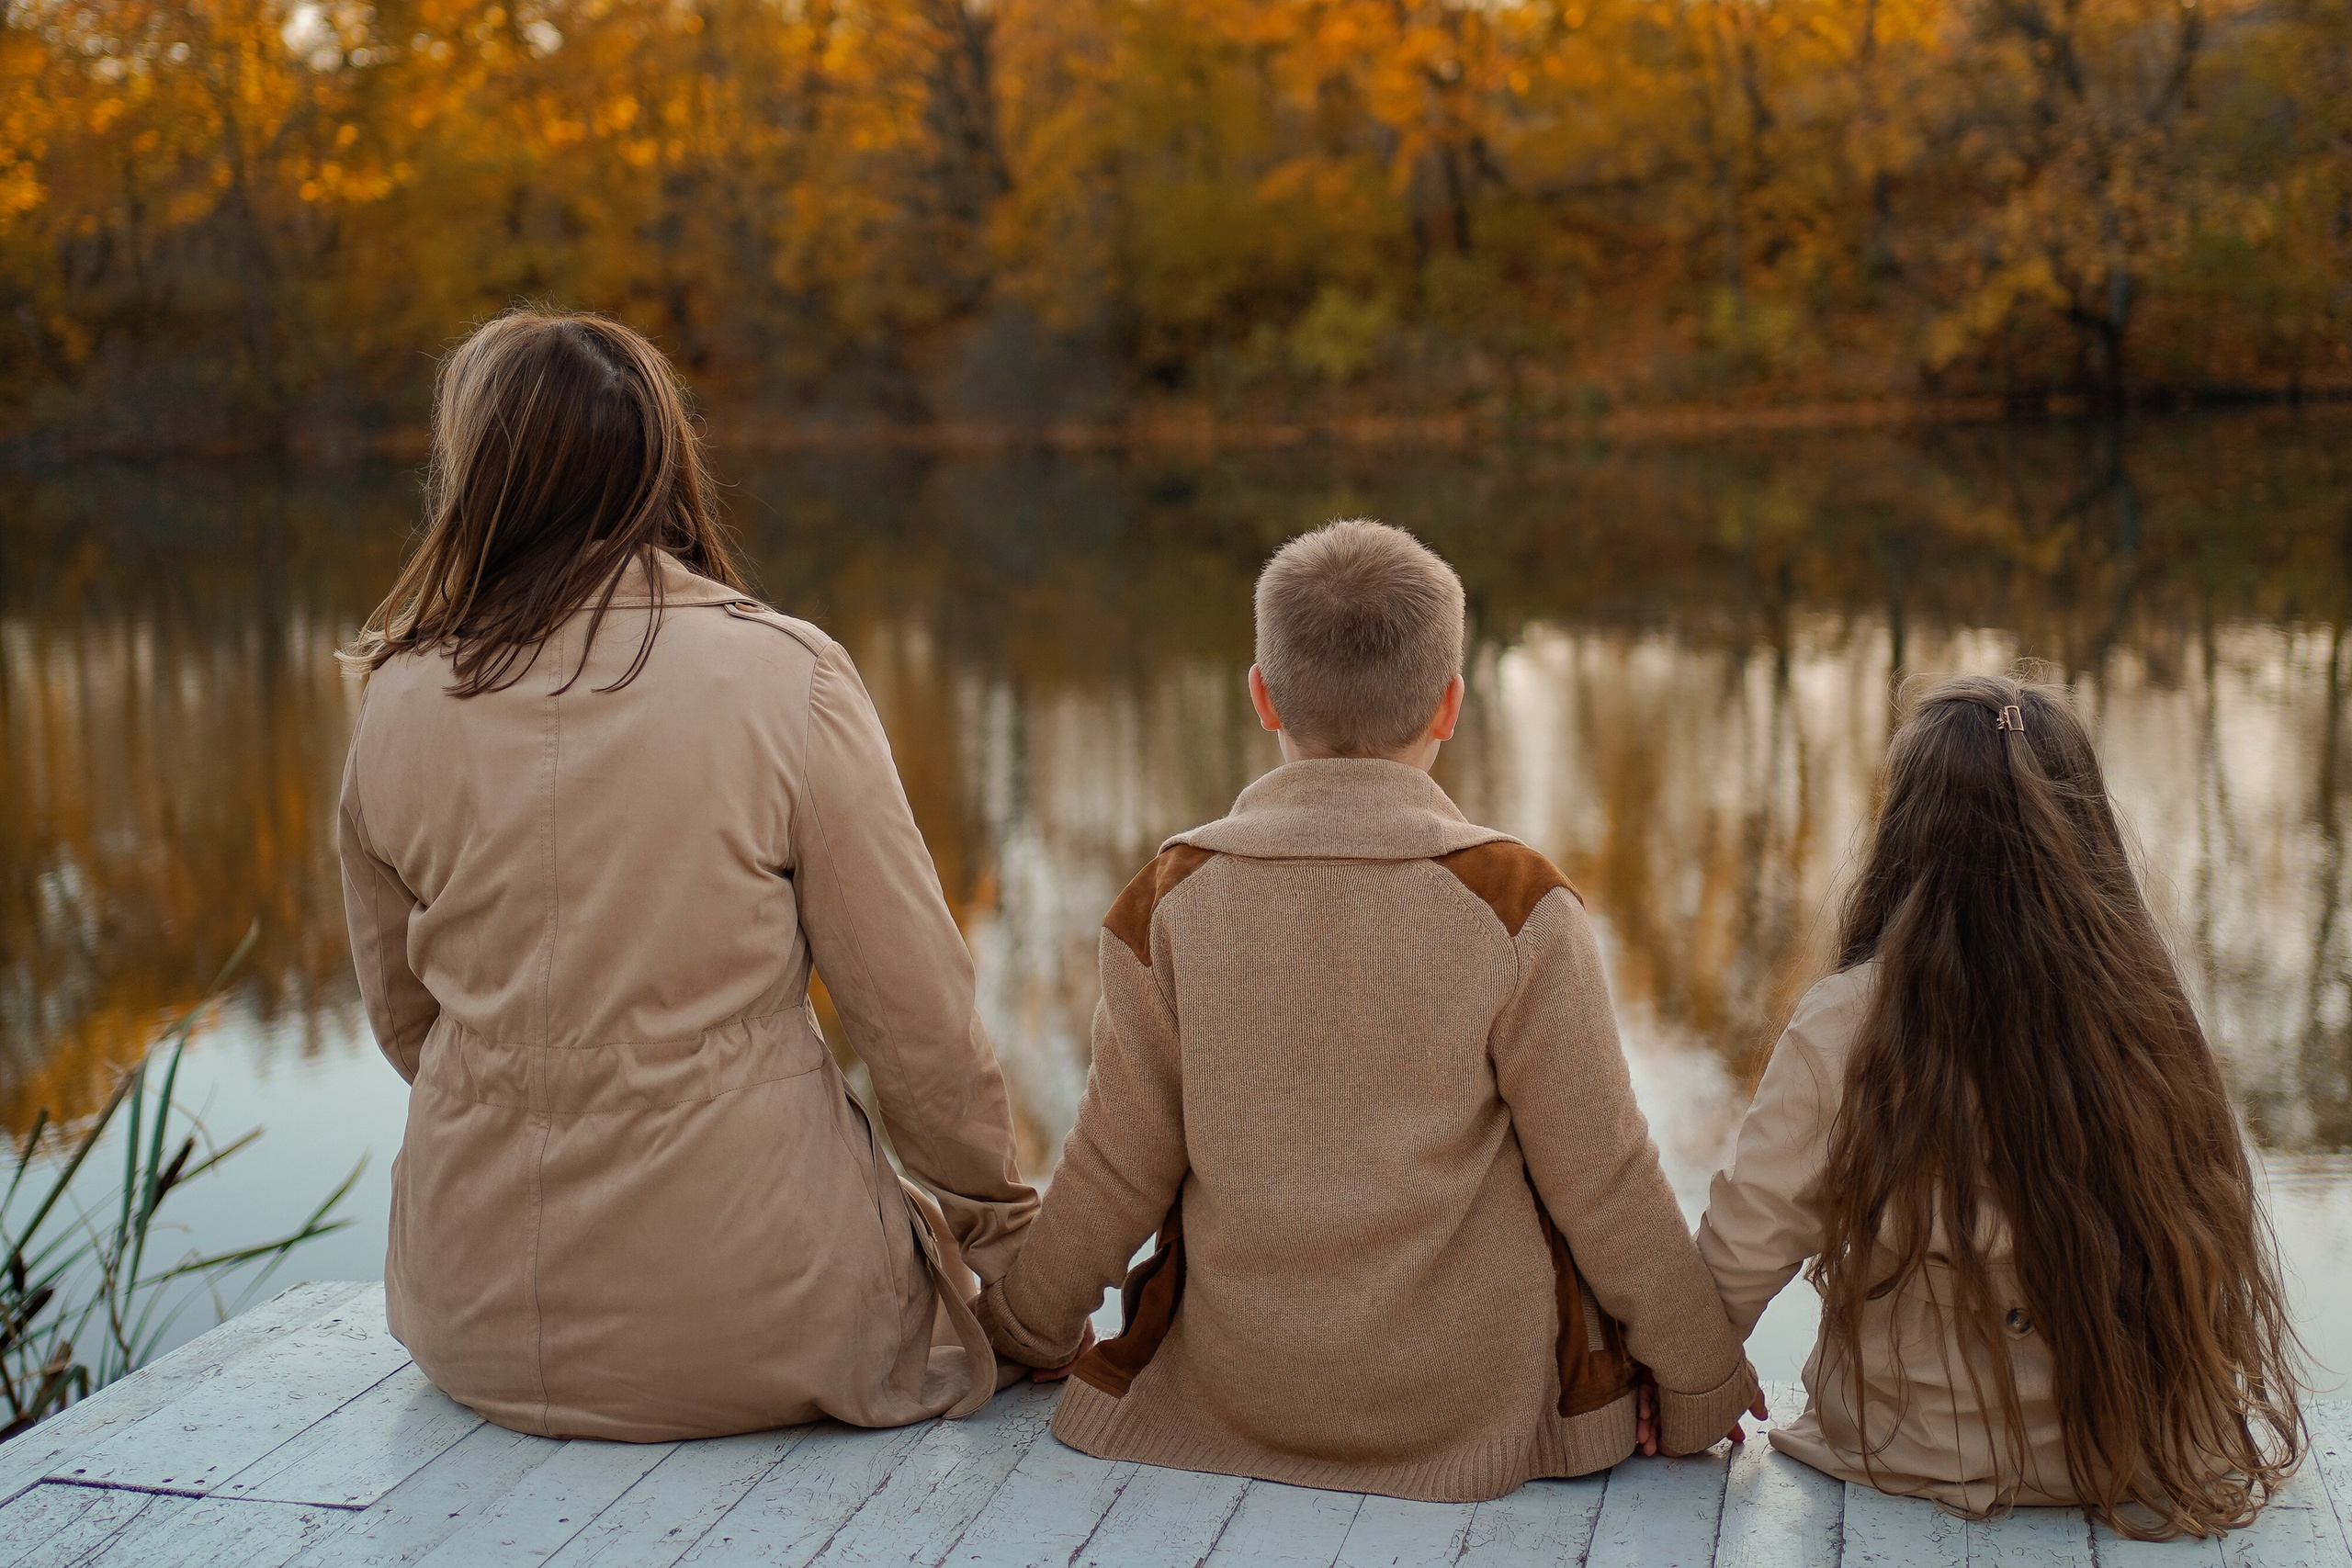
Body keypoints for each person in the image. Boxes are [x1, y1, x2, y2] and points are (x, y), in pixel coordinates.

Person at [335, 309, 1035, 1442]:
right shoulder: (784, 676)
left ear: (477, 480)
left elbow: (408, 1022)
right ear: (662, 462)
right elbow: (917, 1023)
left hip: (470, 1316)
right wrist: (1002, 1245)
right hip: (756, 1314)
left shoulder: (398, 697)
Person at [973, 519, 1761, 1502]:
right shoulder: (1514, 902)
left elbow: (1112, 1163)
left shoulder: (1168, 898)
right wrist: (1696, 1378)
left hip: (1233, 1396)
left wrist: (1027, 1329)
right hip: (1465, 1404)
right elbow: (1602, 1175)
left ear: (1260, 693)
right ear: (1450, 705)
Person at [1695, 674, 2304, 1537]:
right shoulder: (2148, 1012)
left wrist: (1687, 1383)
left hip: (1909, 1457)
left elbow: (1734, 1264)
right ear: (2082, 833)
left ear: (1908, 832)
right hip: (2138, 1459)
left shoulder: (1847, 1022)